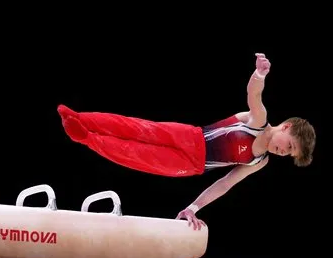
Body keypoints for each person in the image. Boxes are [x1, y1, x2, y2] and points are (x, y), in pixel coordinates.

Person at [57, 53, 316, 229]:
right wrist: (259, 74)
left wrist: (193, 208)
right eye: (290, 145)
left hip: (190, 163)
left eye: (288, 155)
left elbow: (225, 184)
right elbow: (253, 93)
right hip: (190, 134)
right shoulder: (258, 119)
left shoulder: (259, 161)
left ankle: (86, 137)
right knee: (135, 127)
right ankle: (79, 117)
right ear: (287, 127)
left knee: (135, 154)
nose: (283, 151)